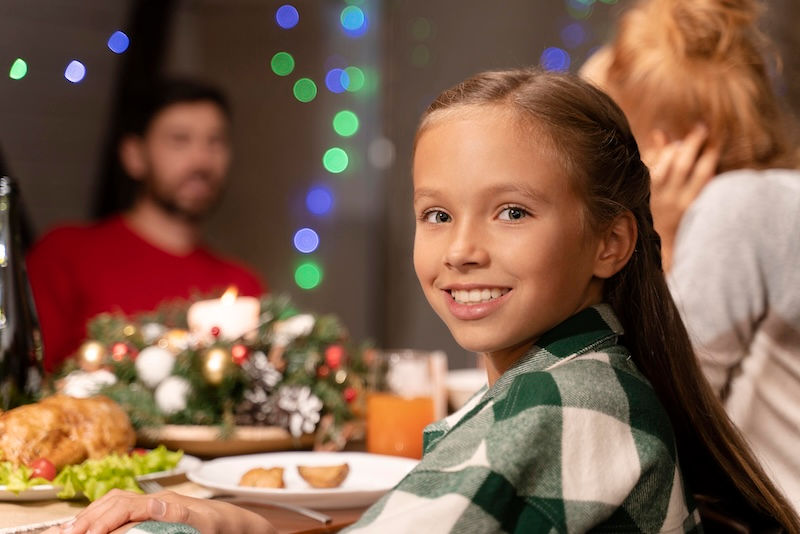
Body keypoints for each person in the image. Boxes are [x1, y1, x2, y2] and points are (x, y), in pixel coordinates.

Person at [44, 69, 799, 534]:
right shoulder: (567, 376)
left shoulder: (558, 408)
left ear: (611, 243)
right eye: (437, 214)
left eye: (511, 211)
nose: (461, 249)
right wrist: (216, 517)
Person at [582, 0, 800, 511]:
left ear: (661, 147)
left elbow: (648, 415)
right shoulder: (775, 197)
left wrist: (654, 240)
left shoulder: (740, 208)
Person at [27, 79, 265, 372]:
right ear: (134, 155)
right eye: (180, 140)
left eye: (215, 141)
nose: (203, 161)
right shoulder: (67, 254)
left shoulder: (241, 287)